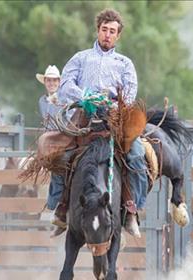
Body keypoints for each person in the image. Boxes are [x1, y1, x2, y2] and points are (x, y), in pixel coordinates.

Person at [57, 8, 146, 236]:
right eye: (104, 30)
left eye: (112, 31)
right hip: (83, 118)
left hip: (114, 120)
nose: (107, 34)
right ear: (97, 31)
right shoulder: (80, 58)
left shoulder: (124, 63)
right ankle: (59, 206)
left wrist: (113, 104)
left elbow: (130, 94)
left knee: (136, 154)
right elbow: (65, 84)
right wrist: (84, 96)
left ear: (118, 36)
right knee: (57, 152)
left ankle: (132, 208)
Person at [36, 65, 66, 227]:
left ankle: (54, 205)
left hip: (62, 140)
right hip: (49, 142)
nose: (51, 83)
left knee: (58, 170)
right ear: (45, 82)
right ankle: (52, 206)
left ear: (59, 82)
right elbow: (47, 120)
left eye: (54, 80)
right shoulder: (42, 101)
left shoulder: (64, 97)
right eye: (49, 80)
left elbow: (63, 120)